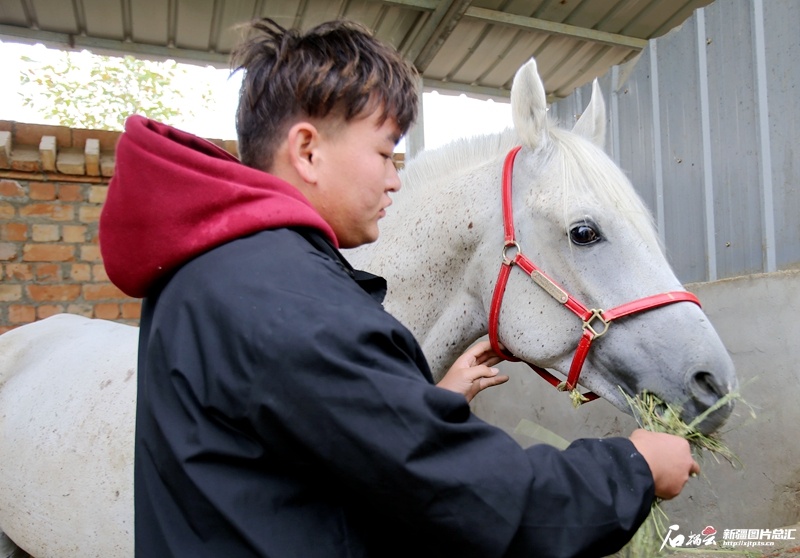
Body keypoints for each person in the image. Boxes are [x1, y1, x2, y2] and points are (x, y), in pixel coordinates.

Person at [99, 17, 699, 558]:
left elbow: (305, 446)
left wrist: (422, 400)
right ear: (307, 150)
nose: (394, 181)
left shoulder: (220, 268)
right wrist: (634, 469)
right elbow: (475, 496)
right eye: (386, 153)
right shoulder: (289, 299)